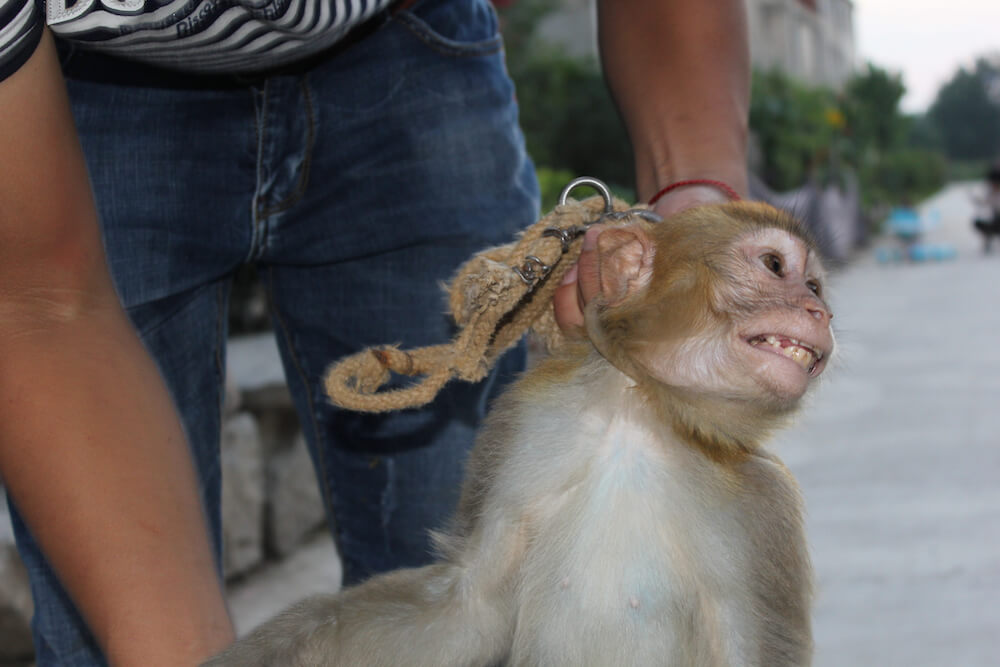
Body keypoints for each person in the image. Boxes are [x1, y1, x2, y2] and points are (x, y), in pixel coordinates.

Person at [0, 0, 751, 664]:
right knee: (106, 624)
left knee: (483, 597)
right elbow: (40, 302)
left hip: (406, 47)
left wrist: (697, 207)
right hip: (75, 91)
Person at [972, 163, 1000, 252]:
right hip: (995, 221)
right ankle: (988, 235)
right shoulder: (990, 193)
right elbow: (984, 204)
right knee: (979, 222)